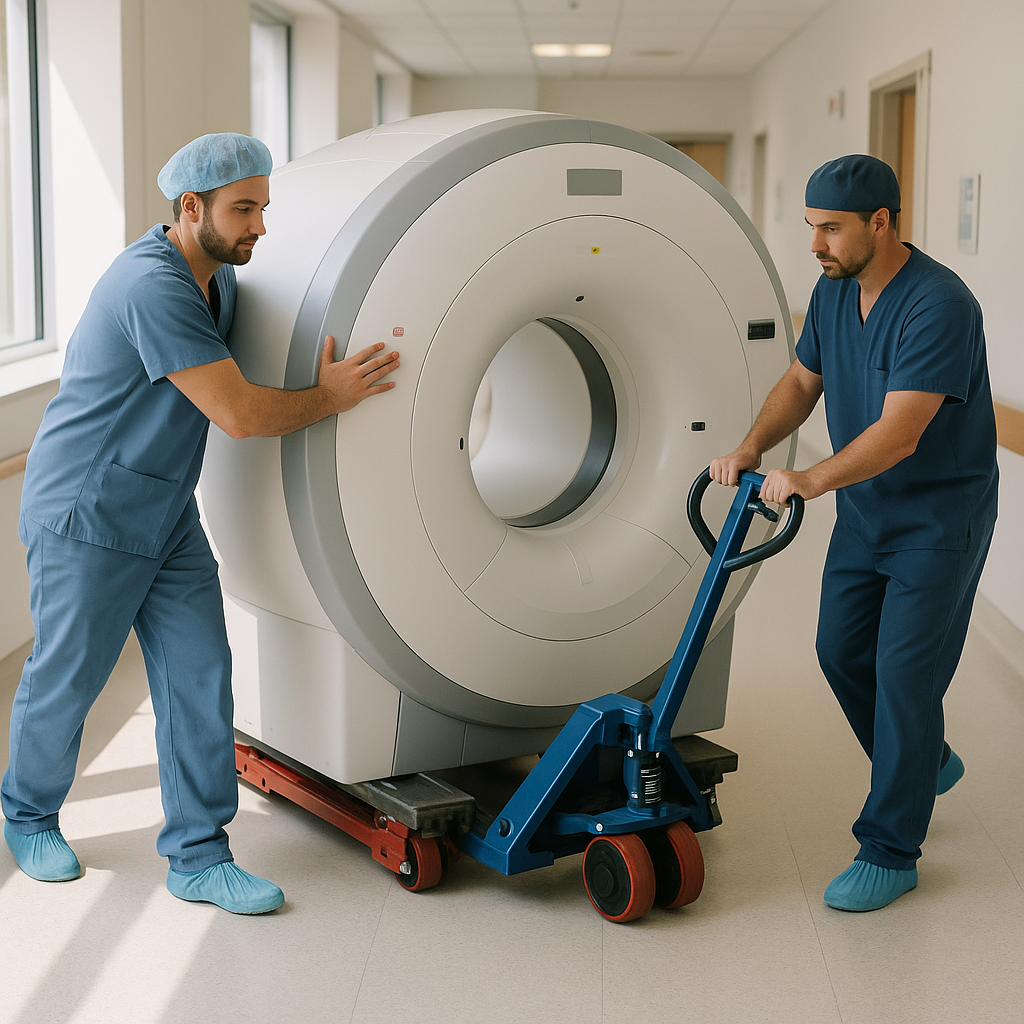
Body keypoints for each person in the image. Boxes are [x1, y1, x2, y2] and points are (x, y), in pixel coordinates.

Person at [2, 133, 400, 915]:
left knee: (198, 676)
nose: (259, 226)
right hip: (88, 509)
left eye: (262, 207)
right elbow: (241, 415)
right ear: (192, 208)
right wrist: (333, 396)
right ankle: (27, 815)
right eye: (243, 209)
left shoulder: (218, 283)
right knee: (69, 679)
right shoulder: (151, 285)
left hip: (162, 508)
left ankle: (198, 855)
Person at [711, 154, 997, 912]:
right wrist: (753, 449)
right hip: (868, 514)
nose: (815, 245)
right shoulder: (834, 291)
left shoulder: (939, 303)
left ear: (881, 222)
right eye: (811, 228)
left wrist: (808, 478)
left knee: (905, 677)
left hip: (938, 520)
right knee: (839, 652)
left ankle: (890, 848)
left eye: (829, 229)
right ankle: (922, 759)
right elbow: (802, 383)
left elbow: (901, 433)